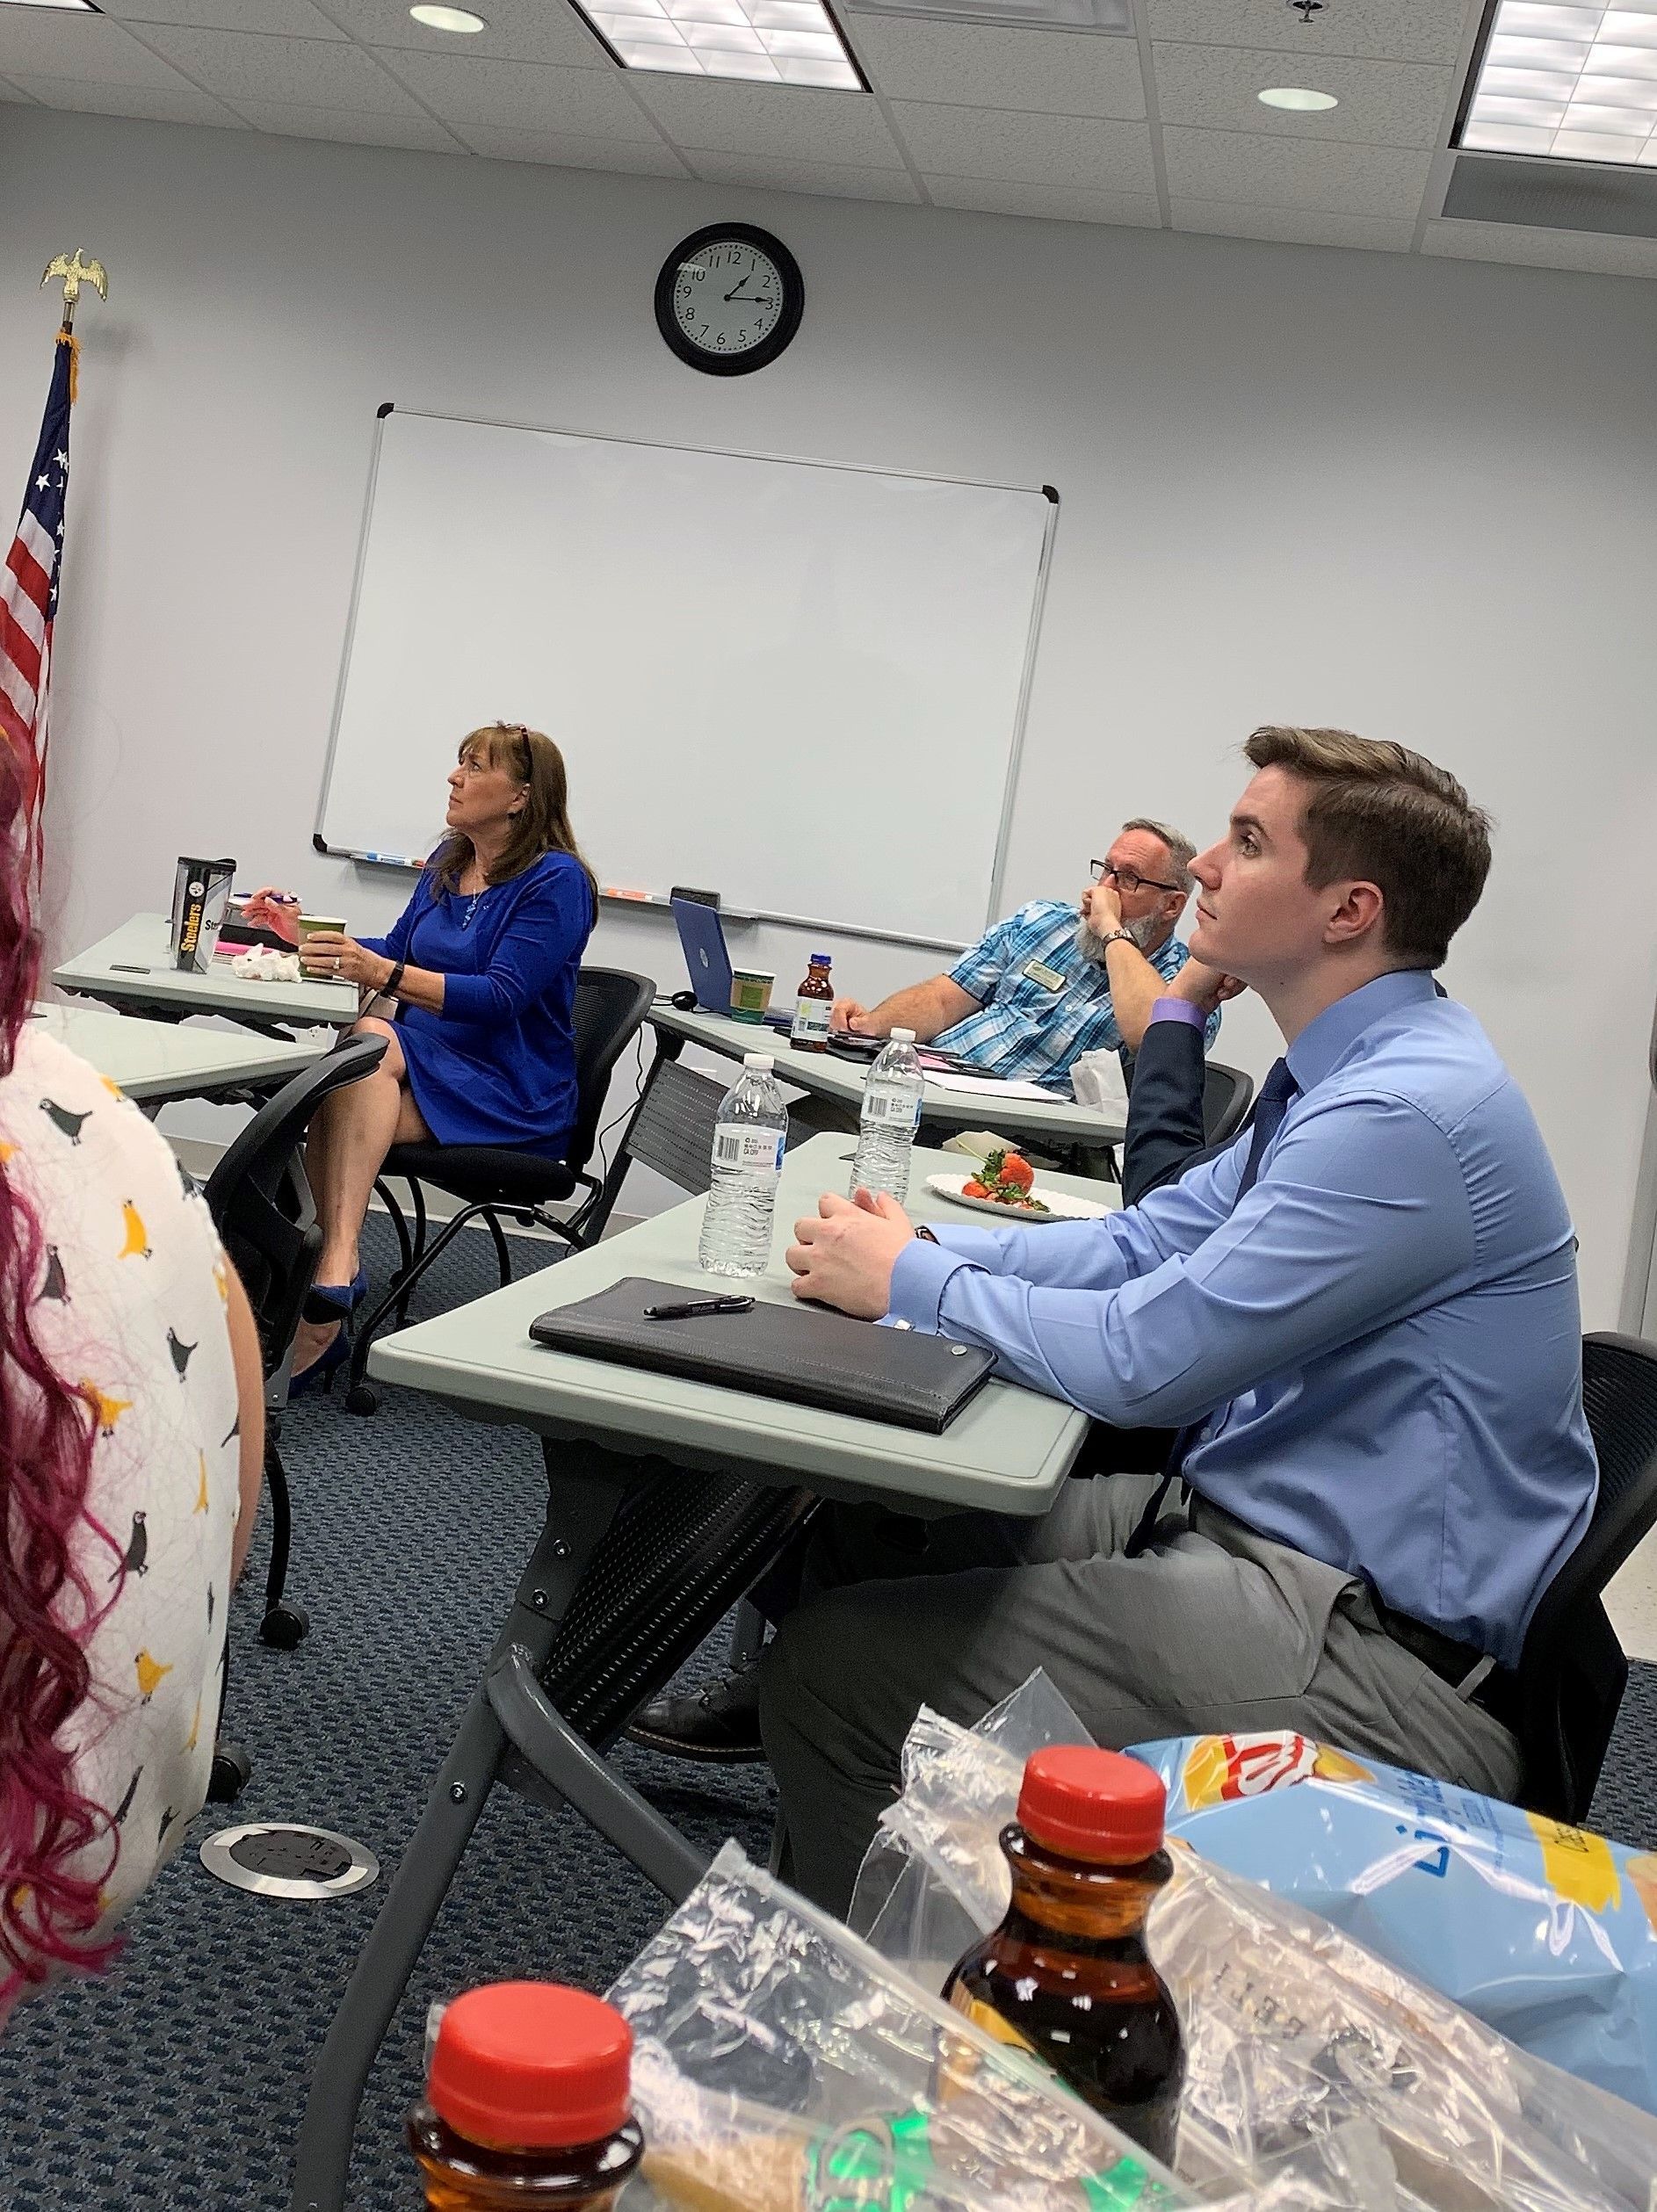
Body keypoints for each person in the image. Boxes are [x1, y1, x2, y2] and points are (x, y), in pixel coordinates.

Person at [770, 726, 1597, 1915]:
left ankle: (924, 2042)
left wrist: (907, 1283)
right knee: (873, 1525)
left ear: (1346, 909)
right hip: (1264, 1543)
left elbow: (1144, 1361)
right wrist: (929, 1248)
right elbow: (1143, 1241)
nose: (1202, 864)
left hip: (1365, 1653)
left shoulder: (1403, 1113)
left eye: (1248, 841)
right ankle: (934, 1875)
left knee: (827, 1672)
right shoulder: (1349, 1073)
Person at [0, 756, 264, 2016]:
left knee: (376, 1072)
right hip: (100, 1796)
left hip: (33, 1828)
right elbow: (235, 1354)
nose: (453, 779)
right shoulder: (86, 1103)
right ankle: (333, 1266)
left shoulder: (529, 892)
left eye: (476, 766)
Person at [244, 722, 597, 1391]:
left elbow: (499, 997)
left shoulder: (557, 881)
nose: (453, 777)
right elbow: (397, 949)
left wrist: (375, 971)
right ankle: (331, 1282)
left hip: (513, 1092)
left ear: (521, 795)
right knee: (348, 1077)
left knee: (363, 1051)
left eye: (473, 766)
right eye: (458, 763)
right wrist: (304, 934)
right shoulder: (449, 865)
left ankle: (327, 1274)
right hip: (428, 1066)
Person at [828, 820, 1218, 1092]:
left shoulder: (1190, 981)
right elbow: (944, 997)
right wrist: (873, 1026)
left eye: (1128, 878)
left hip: (1023, 1135)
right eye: (1105, 871)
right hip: (934, 1083)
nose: (1105, 889)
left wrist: (1111, 929)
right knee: (818, 1113)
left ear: (1171, 906)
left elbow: (1153, 1038)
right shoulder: (1041, 920)